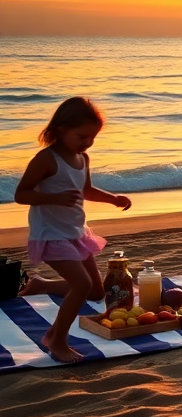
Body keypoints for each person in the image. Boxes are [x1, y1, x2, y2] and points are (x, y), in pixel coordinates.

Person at [14, 98, 132, 363]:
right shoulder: (47, 159)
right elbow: (21, 194)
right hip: (51, 235)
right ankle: (56, 339)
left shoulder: (82, 157)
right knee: (81, 285)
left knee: (95, 291)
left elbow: (85, 190)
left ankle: (41, 284)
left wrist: (113, 198)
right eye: (82, 136)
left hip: (76, 232)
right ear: (60, 129)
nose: (87, 142)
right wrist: (52, 198)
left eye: (92, 138)